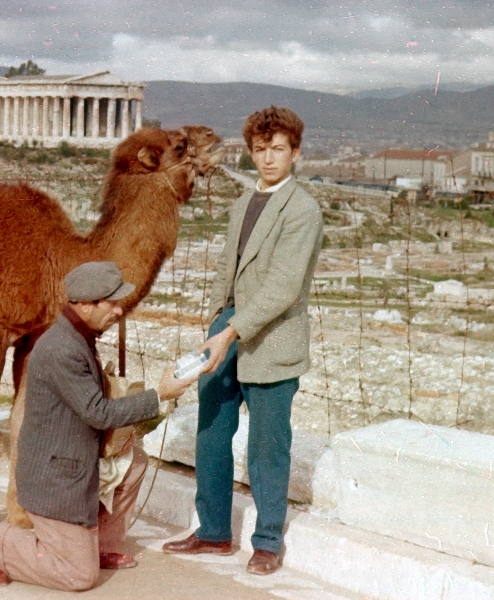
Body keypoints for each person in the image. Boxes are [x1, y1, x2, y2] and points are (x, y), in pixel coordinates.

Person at [162, 105, 323, 575]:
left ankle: (267, 542)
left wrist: (229, 331)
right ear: (251, 152)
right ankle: (213, 531)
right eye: (260, 149)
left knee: (268, 445)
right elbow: (225, 271)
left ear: (296, 153)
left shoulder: (303, 210)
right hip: (227, 331)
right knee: (212, 431)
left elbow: (283, 287)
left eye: (278, 149)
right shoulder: (242, 205)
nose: (268, 159)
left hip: (272, 336)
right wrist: (217, 321)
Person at [0, 261, 195, 591]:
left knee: (134, 462)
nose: (119, 310)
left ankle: (100, 546)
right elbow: (97, 413)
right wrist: (159, 394)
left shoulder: (77, 337)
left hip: (73, 460)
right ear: (86, 305)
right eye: (112, 302)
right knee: (80, 576)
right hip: (55, 479)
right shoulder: (62, 348)